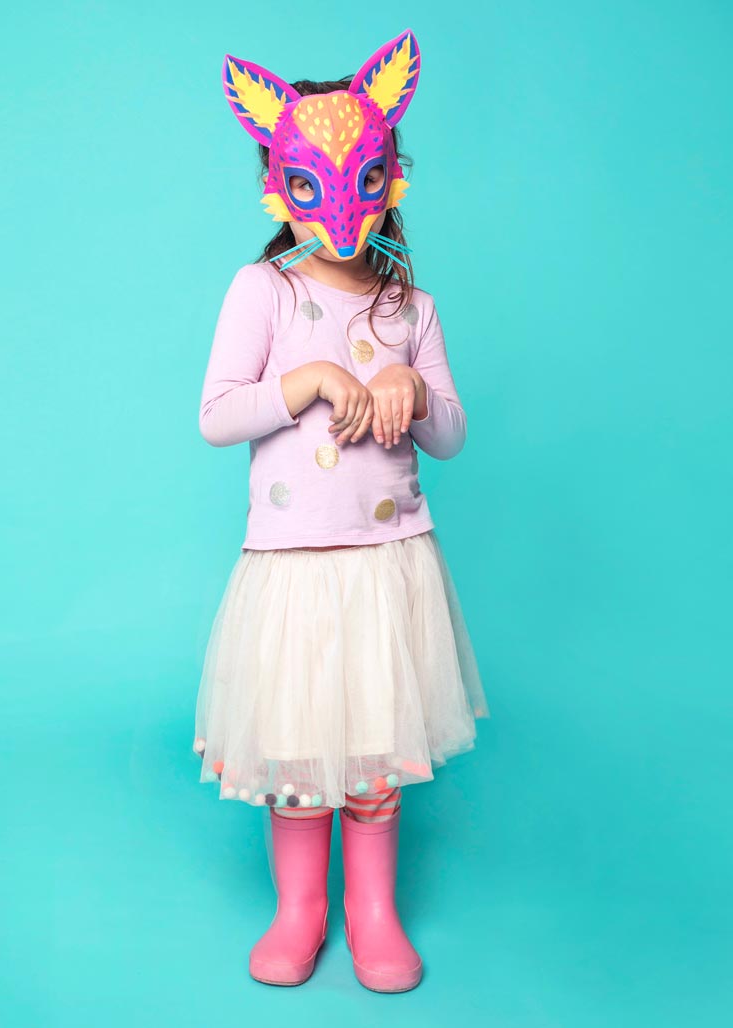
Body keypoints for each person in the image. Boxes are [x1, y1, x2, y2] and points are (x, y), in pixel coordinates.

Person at [192, 29, 488, 993]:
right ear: (280, 184)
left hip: (388, 563)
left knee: (372, 752)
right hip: (294, 567)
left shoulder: (412, 307)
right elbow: (216, 414)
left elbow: (447, 435)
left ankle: (370, 912)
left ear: (390, 171)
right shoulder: (263, 290)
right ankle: (301, 908)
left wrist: (407, 378)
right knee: (299, 753)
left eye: (367, 172)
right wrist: (309, 377)